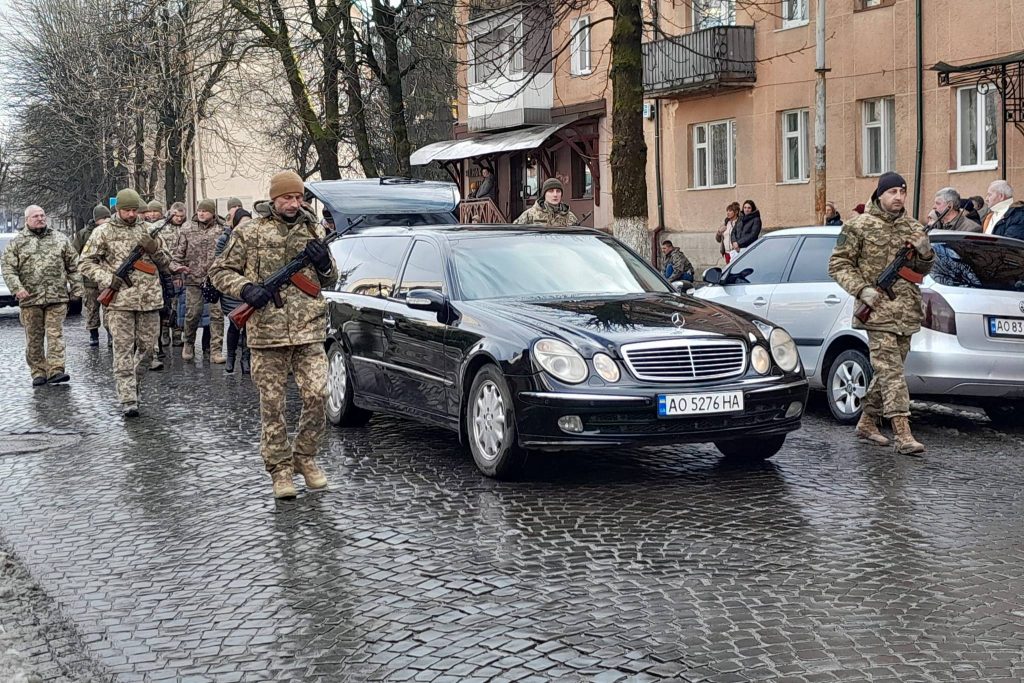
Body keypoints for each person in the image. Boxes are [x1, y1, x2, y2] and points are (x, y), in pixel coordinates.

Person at [209, 171, 339, 499]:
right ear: (274, 198)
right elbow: (218, 272)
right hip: (267, 334)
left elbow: (330, 280)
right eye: (287, 198)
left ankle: (305, 457)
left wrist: (324, 265)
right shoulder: (249, 231)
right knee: (273, 405)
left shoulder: (314, 229)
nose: (294, 204)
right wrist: (246, 288)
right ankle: (280, 470)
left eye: (298, 198)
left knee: (317, 395)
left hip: (309, 330)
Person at [828, 172, 933, 455]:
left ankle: (865, 422)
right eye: (892, 192)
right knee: (892, 373)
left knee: (888, 372)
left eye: (902, 191)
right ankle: (903, 433)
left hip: (906, 311)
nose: (898, 197)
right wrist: (862, 290)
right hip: (876, 311)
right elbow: (838, 265)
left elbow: (922, 271)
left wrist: (925, 254)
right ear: (879, 194)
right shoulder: (858, 226)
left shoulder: (913, 227)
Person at [79, 189, 171, 417]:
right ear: (117, 209)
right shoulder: (103, 232)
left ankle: (135, 384)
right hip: (119, 301)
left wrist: (155, 250)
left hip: (149, 300)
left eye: (134, 210)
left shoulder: (149, 230)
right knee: (122, 350)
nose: (131, 214)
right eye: (127, 210)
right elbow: (85, 263)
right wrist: (109, 279)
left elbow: (166, 261)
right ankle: (128, 397)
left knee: (149, 350)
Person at [1, 205, 83, 386]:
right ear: (27, 219)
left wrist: (77, 288)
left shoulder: (60, 239)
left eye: (42, 215)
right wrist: (17, 288)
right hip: (30, 299)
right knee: (34, 337)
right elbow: (8, 269)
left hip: (57, 297)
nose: (40, 218)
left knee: (55, 334)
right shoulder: (17, 242)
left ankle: (56, 369)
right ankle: (38, 371)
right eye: (36, 216)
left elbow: (73, 266)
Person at [171, 199, 227, 363]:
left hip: (215, 279)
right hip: (193, 279)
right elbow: (178, 255)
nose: (201, 213)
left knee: (217, 315)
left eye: (205, 211)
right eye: (200, 210)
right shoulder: (187, 228)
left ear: (213, 213)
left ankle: (215, 350)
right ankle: (188, 343)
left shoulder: (222, 229)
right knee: (192, 314)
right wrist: (176, 271)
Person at [216, 207, 252, 374]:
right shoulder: (225, 239)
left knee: (248, 326)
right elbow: (219, 263)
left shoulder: (255, 238)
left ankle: (246, 358)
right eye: (242, 223)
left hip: (250, 287)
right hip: (232, 288)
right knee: (234, 323)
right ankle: (230, 357)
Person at [72, 204, 111, 347]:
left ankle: (111, 334)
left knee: (109, 309)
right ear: (96, 220)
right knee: (92, 308)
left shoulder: (111, 231)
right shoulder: (83, 234)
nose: (106, 220)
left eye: (108, 217)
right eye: (104, 218)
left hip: (108, 279)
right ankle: (93, 334)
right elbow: (75, 254)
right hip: (90, 280)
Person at [513, 178, 579, 227]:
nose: (555, 194)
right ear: (544, 194)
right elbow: (515, 234)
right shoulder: (530, 215)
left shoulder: (571, 217)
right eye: (551, 191)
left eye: (558, 191)